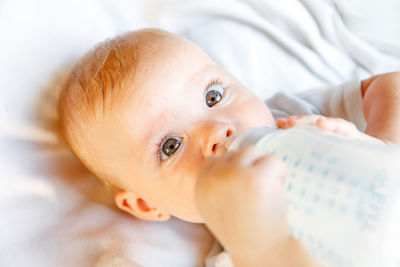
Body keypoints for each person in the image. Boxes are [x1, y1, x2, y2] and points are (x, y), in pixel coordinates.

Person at [57, 28, 400, 266]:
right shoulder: (236, 254)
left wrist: (382, 145)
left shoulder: (294, 118)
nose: (215, 132)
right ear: (147, 205)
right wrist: (262, 247)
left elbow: (390, 86)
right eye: (170, 146)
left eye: (213, 96)